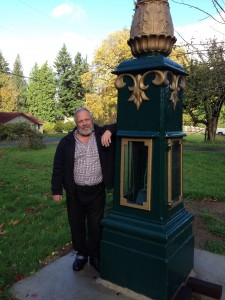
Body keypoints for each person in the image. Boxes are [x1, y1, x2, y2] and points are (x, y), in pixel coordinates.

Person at [51, 107, 116, 272]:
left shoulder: (102, 134)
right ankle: (81, 254)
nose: (84, 123)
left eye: (86, 119)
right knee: (76, 224)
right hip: (75, 192)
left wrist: (109, 130)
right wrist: (56, 190)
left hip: (97, 190)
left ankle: (94, 255)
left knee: (95, 224)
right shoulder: (66, 142)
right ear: (76, 123)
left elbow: (122, 125)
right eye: (80, 121)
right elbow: (58, 167)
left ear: (92, 119)